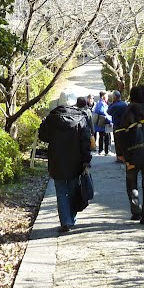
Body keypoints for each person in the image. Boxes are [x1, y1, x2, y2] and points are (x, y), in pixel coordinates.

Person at [38, 90, 92, 233]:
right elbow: (85, 142)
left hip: (56, 160)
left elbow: (43, 136)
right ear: (74, 102)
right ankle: (71, 219)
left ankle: (65, 222)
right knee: (73, 190)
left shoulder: (51, 118)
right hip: (76, 160)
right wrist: (86, 160)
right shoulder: (81, 118)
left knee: (61, 191)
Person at [113, 84, 144, 225]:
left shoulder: (126, 112)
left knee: (131, 182)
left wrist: (120, 154)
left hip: (131, 155)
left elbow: (119, 134)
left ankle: (136, 211)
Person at [107, 90, 129, 162]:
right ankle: (125, 157)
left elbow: (108, 111)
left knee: (117, 141)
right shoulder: (124, 104)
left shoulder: (115, 105)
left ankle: (119, 157)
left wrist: (112, 103)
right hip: (125, 126)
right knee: (124, 142)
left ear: (115, 97)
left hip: (117, 126)